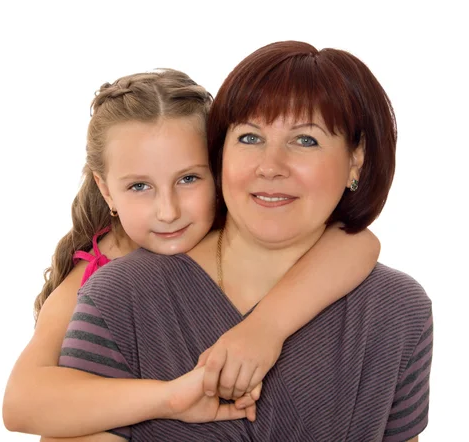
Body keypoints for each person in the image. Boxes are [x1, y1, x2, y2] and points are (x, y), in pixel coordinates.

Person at [51, 41, 433, 441]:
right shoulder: (120, 296)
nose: (270, 166)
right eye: (250, 138)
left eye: (306, 140)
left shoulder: (399, 312)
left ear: (356, 161)